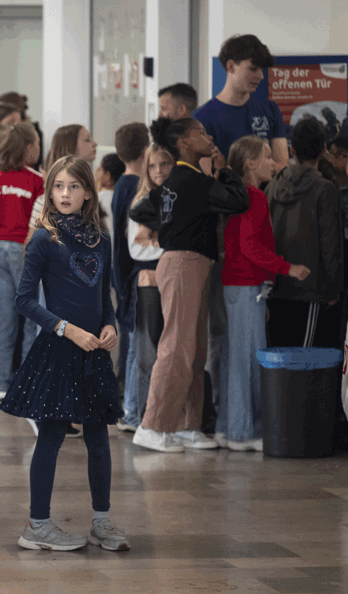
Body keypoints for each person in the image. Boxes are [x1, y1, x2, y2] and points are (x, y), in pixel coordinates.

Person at [0, 155, 127, 552]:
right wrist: (66, 329)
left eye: (73, 186)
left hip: (94, 352)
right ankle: (37, 524)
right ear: (48, 191)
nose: (65, 193)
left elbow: (104, 297)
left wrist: (110, 326)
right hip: (58, 349)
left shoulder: (101, 240)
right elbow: (24, 300)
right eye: (58, 186)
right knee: (52, 436)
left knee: (99, 438)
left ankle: (102, 522)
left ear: (88, 191)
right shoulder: (43, 239)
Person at [128, 117, 248, 453]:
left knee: (193, 351)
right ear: (183, 141)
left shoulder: (178, 180)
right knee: (176, 348)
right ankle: (152, 426)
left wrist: (174, 222)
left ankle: (186, 425)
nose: (209, 137)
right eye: (201, 133)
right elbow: (239, 201)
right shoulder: (192, 180)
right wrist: (224, 170)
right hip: (183, 263)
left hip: (192, 263)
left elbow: (142, 210)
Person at [220, 137, 310, 452]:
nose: (274, 163)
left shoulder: (234, 197)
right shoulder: (253, 196)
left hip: (237, 287)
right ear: (250, 163)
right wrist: (288, 268)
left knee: (233, 359)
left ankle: (228, 427)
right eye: (268, 157)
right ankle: (244, 432)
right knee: (247, 360)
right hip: (246, 287)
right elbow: (250, 247)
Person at [265, 118, 343, 349]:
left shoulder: (272, 186)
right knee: (304, 360)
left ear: (292, 150)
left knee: (280, 359)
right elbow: (331, 244)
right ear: (323, 150)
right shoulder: (325, 190)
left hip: (274, 287)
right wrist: (333, 289)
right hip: (310, 289)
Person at [0, 123, 43, 400]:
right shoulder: (36, 180)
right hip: (24, 251)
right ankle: (28, 381)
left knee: (4, 321)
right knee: (31, 318)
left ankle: (3, 383)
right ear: (30, 147)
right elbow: (39, 222)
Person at [117, 145, 173, 432]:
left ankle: (148, 415)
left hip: (170, 281)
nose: (159, 170)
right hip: (148, 283)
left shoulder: (172, 198)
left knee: (162, 352)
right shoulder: (142, 200)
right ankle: (138, 416)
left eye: (165, 164)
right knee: (144, 353)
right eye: (153, 165)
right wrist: (169, 247)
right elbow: (137, 246)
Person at [193, 34, 287, 169]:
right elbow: (211, 176)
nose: (260, 76)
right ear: (231, 66)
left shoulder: (270, 109)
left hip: (268, 190)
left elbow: (282, 166)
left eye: (262, 70)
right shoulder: (203, 117)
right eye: (253, 69)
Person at [108, 123, 150, 397]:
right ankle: (126, 392)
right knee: (132, 336)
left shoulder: (123, 184)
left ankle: (125, 391)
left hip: (123, 270)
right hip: (130, 271)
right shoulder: (133, 186)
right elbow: (126, 240)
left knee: (130, 334)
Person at [94, 152, 124, 246]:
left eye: (100, 168)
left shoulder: (101, 198)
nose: (96, 171)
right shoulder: (122, 197)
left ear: (107, 175)